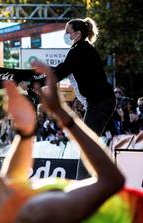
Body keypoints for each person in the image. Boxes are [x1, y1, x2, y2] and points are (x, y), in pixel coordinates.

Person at [0, 64, 143, 223]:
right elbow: (112, 180)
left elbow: (12, 181)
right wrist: (62, 114)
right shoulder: (39, 211)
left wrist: (25, 132)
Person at [33, 17, 116, 179]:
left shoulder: (79, 50)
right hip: (101, 101)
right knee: (90, 144)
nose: (66, 35)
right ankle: (92, 179)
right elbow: (60, 70)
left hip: (100, 103)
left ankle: (83, 182)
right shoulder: (83, 49)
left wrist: (37, 83)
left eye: (67, 33)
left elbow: (61, 71)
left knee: (87, 145)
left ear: (77, 34)